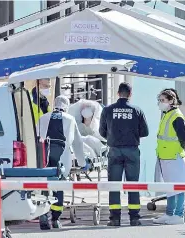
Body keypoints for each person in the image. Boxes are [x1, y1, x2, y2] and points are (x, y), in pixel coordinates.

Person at [99, 82, 149, 227]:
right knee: (133, 184)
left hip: (114, 151)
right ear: (130, 94)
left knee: (114, 184)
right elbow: (145, 132)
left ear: (117, 93)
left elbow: (102, 132)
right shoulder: (137, 110)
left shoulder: (108, 110)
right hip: (132, 151)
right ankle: (134, 218)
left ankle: (115, 218)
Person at [37, 95, 90, 230]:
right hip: (62, 158)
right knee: (58, 186)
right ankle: (55, 218)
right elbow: (77, 143)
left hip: (43, 159)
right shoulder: (70, 119)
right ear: (67, 107)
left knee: (43, 186)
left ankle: (43, 215)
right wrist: (82, 162)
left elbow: (35, 138)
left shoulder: (43, 118)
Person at [153, 88, 185, 225]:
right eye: (159, 100)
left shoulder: (176, 116)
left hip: (174, 156)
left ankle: (178, 215)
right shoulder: (166, 114)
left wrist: (184, 151)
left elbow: (184, 138)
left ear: (171, 101)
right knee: (170, 187)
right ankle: (169, 214)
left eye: (163, 100)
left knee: (179, 186)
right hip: (165, 156)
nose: (160, 103)